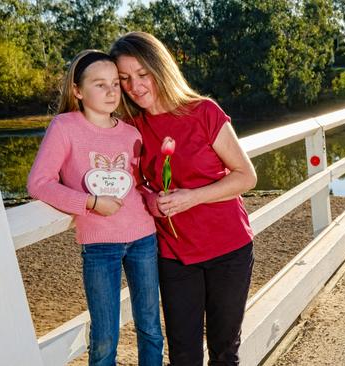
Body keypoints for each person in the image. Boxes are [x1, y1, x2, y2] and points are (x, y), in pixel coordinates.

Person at [110, 32, 257, 366]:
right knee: (183, 355)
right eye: (125, 79)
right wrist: (148, 198)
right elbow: (132, 183)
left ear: (160, 68)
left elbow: (246, 176)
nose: (135, 86)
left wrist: (193, 197)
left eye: (142, 74)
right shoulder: (131, 127)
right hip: (175, 254)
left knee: (223, 351)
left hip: (228, 249)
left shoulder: (204, 111)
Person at [27, 50, 164, 366]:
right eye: (99, 84)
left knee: (151, 329)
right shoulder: (65, 127)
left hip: (144, 238)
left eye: (115, 83)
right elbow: (39, 182)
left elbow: (140, 182)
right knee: (104, 338)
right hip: (99, 245)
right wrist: (89, 203)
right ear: (77, 90)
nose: (111, 91)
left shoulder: (131, 131)